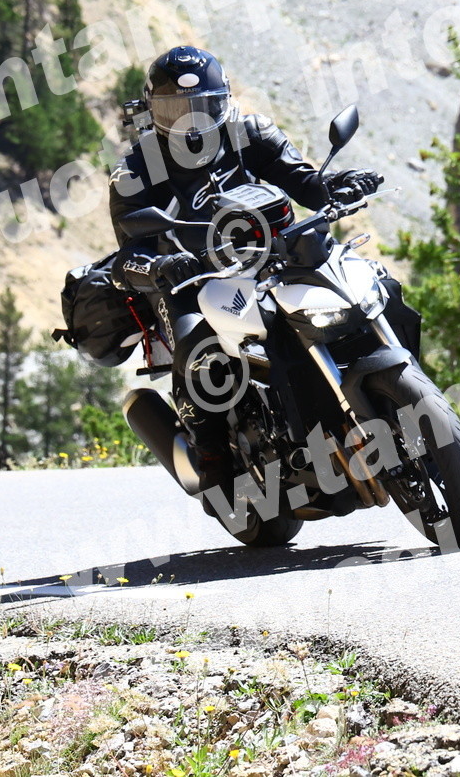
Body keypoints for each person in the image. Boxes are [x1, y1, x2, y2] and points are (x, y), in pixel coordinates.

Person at [108, 46, 382, 493]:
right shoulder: (136, 169)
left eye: (202, 106)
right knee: (197, 345)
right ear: (151, 110)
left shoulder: (249, 131)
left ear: (224, 99)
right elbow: (125, 258)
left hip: (270, 253)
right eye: (176, 109)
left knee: (373, 285)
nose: (190, 120)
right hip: (188, 277)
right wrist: (160, 266)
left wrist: (343, 183)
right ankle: (212, 458)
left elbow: (305, 182)